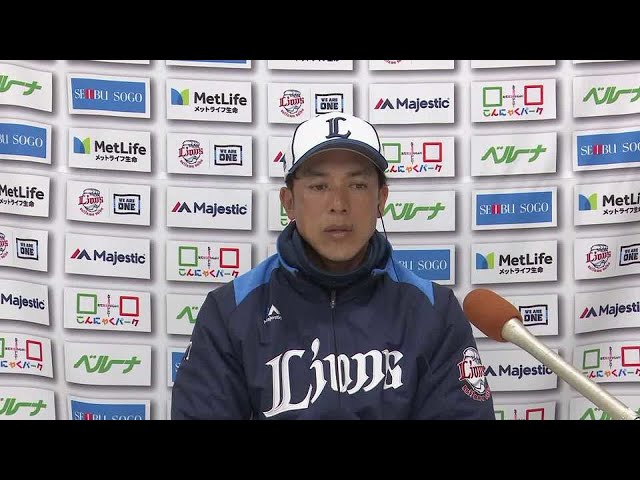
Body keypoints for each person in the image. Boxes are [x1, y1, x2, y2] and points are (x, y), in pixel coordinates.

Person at [171, 111, 495, 420]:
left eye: (357, 185)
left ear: (381, 200)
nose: (338, 204)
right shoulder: (231, 311)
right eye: (319, 186)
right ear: (289, 202)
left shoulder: (434, 311)